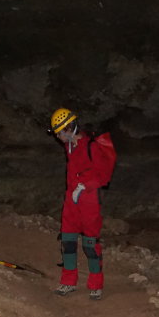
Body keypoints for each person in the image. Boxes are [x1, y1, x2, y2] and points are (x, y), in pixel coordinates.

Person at [48, 107, 116, 301]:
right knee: (68, 241)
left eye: (60, 133)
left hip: (89, 199)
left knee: (90, 243)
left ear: (69, 129)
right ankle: (68, 282)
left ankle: (96, 284)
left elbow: (103, 175)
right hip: (72, 200)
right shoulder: (70, 147)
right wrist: (74, 191)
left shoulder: (91, 147)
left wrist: (84, 185)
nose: (59, 137)